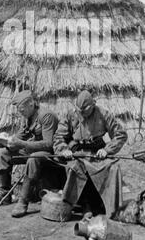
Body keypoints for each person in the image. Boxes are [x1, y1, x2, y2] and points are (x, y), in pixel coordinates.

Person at [53, 90, 128, 218]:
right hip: (77, 150)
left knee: (112, 168)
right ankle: (84, 205)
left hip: (97, 151)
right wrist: (64, 149)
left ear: (92, 106)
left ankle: (109, 207)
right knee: (75, 168)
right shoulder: (70, 115)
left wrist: (107, 150)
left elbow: (120, 134)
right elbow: (58, 137)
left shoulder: (103, 114)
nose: (81, 114)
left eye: (84, 111)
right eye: (79, 111)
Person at [0, 90, 58, 218]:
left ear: (31, 104)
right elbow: (18, 138)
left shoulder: (46, 116)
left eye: (22, 109)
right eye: (19, 110)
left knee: (33, 158)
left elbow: (49, 144)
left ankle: (23, 201)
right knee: (4, 154)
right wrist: (4, 142)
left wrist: (21, 143)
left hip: (50, 154)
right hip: (33, 150)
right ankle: (4, 193)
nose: (20, 112)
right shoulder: (28, 118)